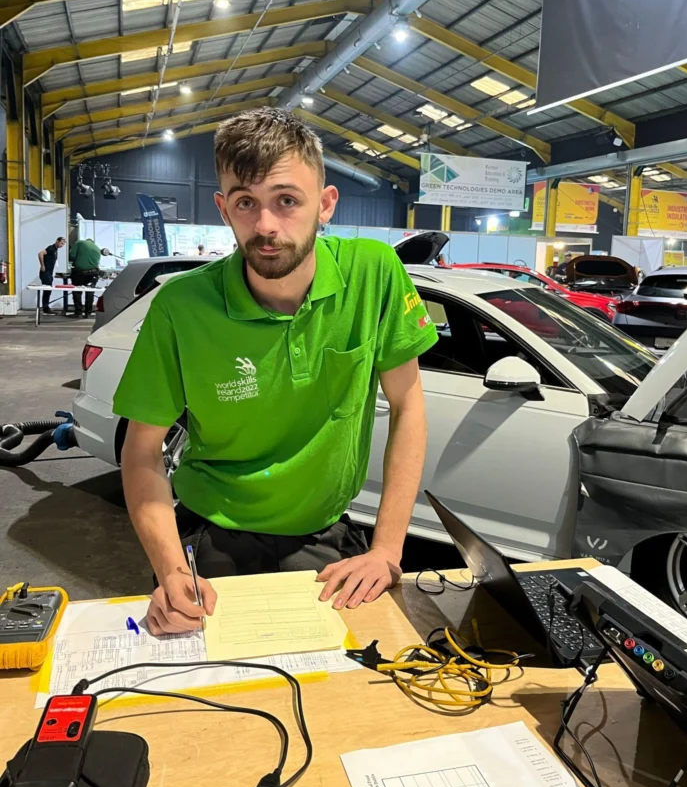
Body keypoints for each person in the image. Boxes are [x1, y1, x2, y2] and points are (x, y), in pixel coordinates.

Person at [114, 108, 438, 636]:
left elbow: (409, 405)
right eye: (246, 202)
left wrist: (387, 549)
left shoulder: (374, 273)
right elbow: (142, 451)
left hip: (324, 538)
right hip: (209, 535)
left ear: (325, 204)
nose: (266, 226)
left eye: (287, 200)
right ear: (224, 208)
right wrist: (173, 571)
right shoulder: (181, 307)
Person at [69, 236, 102, 318]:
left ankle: (78, 312)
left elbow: (71, 256)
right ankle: (88, 313)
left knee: (77, 292)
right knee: (90, 292)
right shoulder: (97, 248)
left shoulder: (79, 242)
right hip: (94, 273)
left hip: (80, 273)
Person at [37, 236, 65, 314]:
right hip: (46, 273)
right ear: (57, 241)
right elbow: (40, 253)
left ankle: (46, 307)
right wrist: (42, 265)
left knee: (48, 291)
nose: (61, 245)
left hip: (49, 272)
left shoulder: (55, 250)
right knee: (47, 290)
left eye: (63, 244)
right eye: (61, 243)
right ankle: (46, 308)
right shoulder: (51, 248)